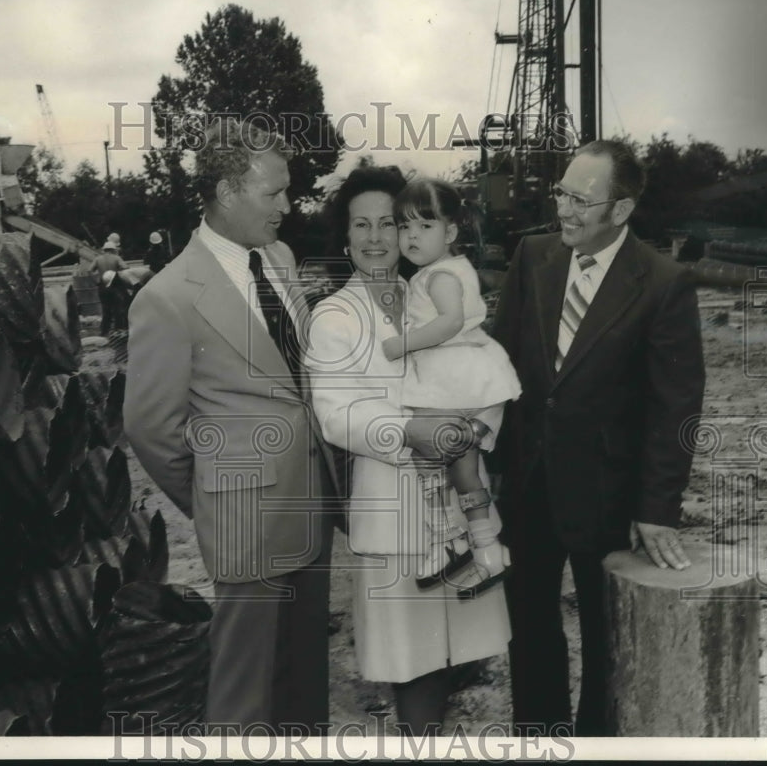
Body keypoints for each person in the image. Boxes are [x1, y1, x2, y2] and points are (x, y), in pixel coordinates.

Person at [123, 118, 336, 734]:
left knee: (304, 680)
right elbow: (151, 428)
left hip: (312, 502)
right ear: (225, 191)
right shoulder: (167, 297)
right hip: (245, 519)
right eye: (274, 193)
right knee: (244, 692)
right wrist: (218, 499)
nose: (287, 207)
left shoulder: (281, 259)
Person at [491, 139, 706, 736]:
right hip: (528, 486)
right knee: (529, 629)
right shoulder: (532, 257)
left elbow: (677, 404)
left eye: (582, 200)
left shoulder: (664, 283)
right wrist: (485, 473)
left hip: (608, 497)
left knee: (606, 642)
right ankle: (539, 740)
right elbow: (500, 362)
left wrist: (658, 507)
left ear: (622, 210)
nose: (564, 208)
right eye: (563, 191)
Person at [305, 166, 512, 737]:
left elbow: (477, 373)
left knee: (460, 652)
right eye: (361, 225)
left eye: (388, 224)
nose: (376, 237)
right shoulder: (334, 316)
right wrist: (407, 433)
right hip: (392, 509)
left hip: (457, 504)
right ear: (345, 238)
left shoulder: (431, 294)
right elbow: (334, 414)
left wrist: (475, 427)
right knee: (413, 664)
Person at [383, 178, 520, 597]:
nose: (412, 237)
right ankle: (484, 549)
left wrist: (398, 345)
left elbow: (449, 323)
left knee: (428, 453)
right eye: (404, 227)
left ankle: (448, 538)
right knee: (462, 470)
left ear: (451, 233)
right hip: (467, 381)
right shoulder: (443, 269)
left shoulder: (440, 275)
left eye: (425, 226)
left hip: (455, 381)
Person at [93, 240, 128, 336]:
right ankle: (118, 329)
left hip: (102, 286)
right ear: (113, 249)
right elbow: (125, 267)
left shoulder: (98, 259)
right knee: (118, 308)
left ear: (104, 249)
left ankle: (104, 331)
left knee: (105, 309)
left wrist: (96, 280)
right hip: (115, 286)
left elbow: (89, 270)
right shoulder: (116, 258)